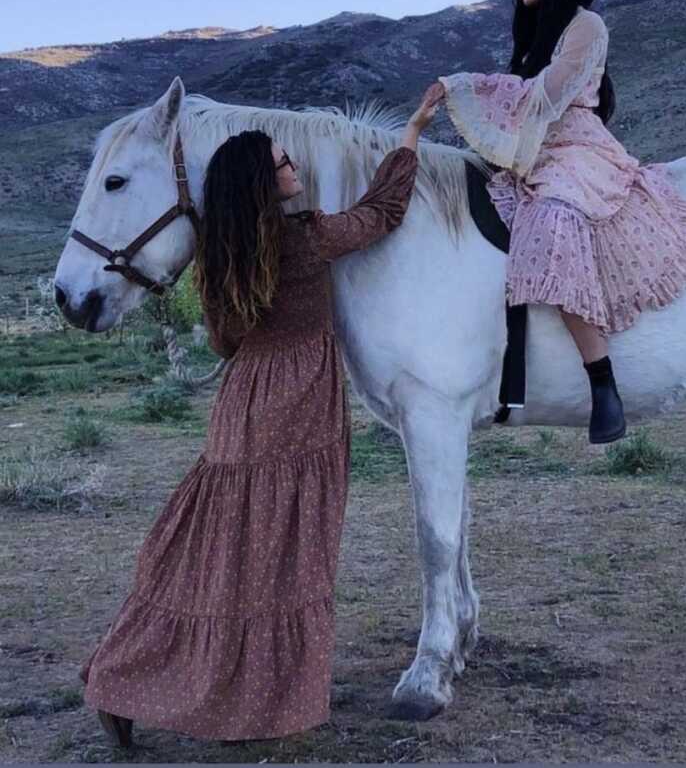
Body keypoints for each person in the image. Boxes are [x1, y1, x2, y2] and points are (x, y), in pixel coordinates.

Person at [81, 91, 439, 747]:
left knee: (213, 553)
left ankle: (120, 676)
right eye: (281, 162)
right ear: (262, 183)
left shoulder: (223, 258)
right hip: (301, 406)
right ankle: (251, 701)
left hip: (242, 405)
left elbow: (225, 343)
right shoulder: (307, 239)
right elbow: (383, 211)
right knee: (282, 560)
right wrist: (411, 132)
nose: (292, 167)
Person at [427, 0, 686, 444]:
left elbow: (548, 94)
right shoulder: (538, 36)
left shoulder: (587, 27)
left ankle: (602, 382)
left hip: (576, 150)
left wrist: (465, 87)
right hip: (532, 152)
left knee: (554, 216)